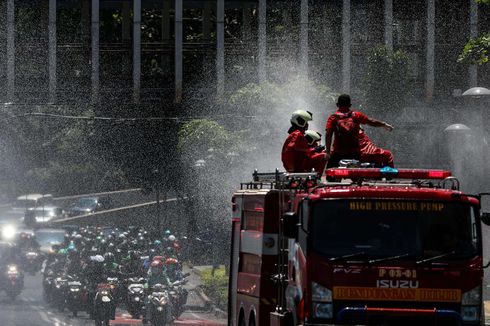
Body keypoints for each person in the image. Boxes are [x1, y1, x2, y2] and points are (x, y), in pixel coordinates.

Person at [325, 94, 394, 168]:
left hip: (338, 152)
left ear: (337, 105)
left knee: (330, 174)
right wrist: (383, 124)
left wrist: (328, 152)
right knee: (358, 175)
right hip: (354, 153)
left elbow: (328, 134)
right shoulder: (356, 115)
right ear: (350, 105)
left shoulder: (333, 118)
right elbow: (371, 121)